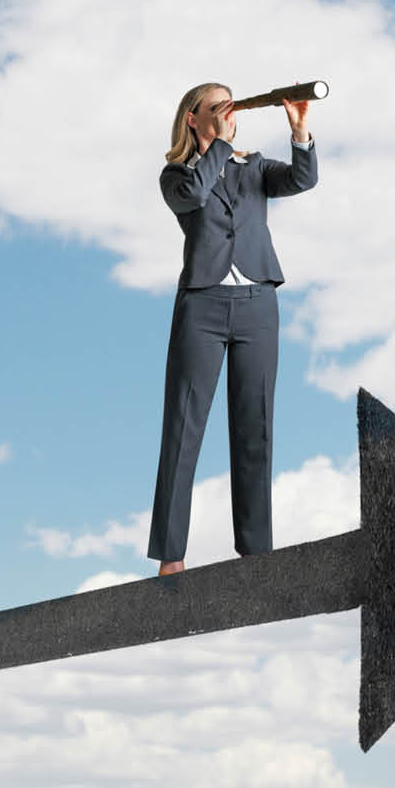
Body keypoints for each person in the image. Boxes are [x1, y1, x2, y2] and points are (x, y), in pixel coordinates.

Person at [149, 82, 316, 576]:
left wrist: (300, 132)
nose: (230, 114)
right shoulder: (176, 175)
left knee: (255, 428)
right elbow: (196, 195)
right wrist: (217, 145)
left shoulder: (255, 167)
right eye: (218, 108)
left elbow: (301, 182)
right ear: (193, 119)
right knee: (183, 428)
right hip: (202, 306)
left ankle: (256, 553)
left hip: (258, 302)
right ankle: (171, 555)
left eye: (232, 106)